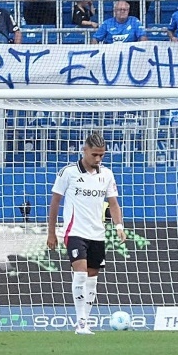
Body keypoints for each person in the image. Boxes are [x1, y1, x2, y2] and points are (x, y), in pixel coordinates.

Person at [45, 130, 125, 335]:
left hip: (97, 234)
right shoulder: (68, 173)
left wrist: (119, 226)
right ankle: (80, 322)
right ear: (84, 150)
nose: (98, 158)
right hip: (75, 232)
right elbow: (55, 203)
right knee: (79, 274)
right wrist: (51, 233)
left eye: (102, 155)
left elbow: (113, 203)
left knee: (92, 278)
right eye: (94, 154)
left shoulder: (106, 175)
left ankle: (85, 321)